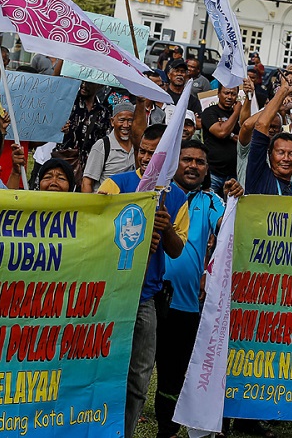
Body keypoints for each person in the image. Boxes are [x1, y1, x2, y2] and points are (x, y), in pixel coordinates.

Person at [97, 124, 189, 438]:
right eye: (143, 151)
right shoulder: (115, 184)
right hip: (108, 294)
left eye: (154, 154)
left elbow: (177, 252)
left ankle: (126, 431)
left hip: (145, 298)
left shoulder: (177, 196)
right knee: (102, 370)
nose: (147, 159)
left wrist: (167, 231)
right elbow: (94, 233)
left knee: (138, 377)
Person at [154, 140, 242, 438]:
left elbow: (227, 224)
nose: (193, 166)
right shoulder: (155, 194)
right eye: (187, 159)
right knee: (139, 372)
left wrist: (234, 200)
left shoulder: (211, 200)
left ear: (207, 170)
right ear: (175, 164)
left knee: (173, 372)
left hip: (185, 304)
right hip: (146, 298)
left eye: (200, 162)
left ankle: (167, 429)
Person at [245, 80, 292, 199]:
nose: (286, 159)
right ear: (270, 155)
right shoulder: (258, 176)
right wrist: (283, 91)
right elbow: (261, 124)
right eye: (280, 153)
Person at [56, 81, 112, 175]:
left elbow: (105, 140)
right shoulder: (67, 104)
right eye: (83, 81)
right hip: (64, 162)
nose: (84, 85)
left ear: (99, 85)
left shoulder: (103, 112)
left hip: (89, 168)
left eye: (89, 83)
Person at [81, 102, 135, 193]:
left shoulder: (137, 146)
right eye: (121, 120)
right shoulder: (102, 146)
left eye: (130, 120)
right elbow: (87, 182)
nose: (126, 125)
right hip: (105, 203)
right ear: (112, 121)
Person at [201, 85, 242, 192]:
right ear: (218, 94)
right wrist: (236, 112)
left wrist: (230, 132)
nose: (229, 97)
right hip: (213, 173)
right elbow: (222, 132)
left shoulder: (240, 116)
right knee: (211, 205)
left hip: (234, 174)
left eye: (233, 94)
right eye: (226, 93)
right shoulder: (210, 112)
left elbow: (243, 138)